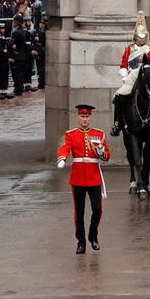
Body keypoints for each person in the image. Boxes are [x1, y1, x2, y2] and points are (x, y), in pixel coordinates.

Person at [55, 102, 111, 254]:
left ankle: (93, 236)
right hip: (78, 177)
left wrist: (100, 151)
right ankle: (81, 241)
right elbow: (65, 147)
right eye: (82, 116)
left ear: (90, 118)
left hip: (94, 177)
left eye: (87, 116)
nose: (84, 119)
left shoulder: (98, 134)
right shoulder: (71, 134)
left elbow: (106, 156)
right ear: (78, 117)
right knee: (79, 212)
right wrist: (62, 158)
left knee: (97, 210)